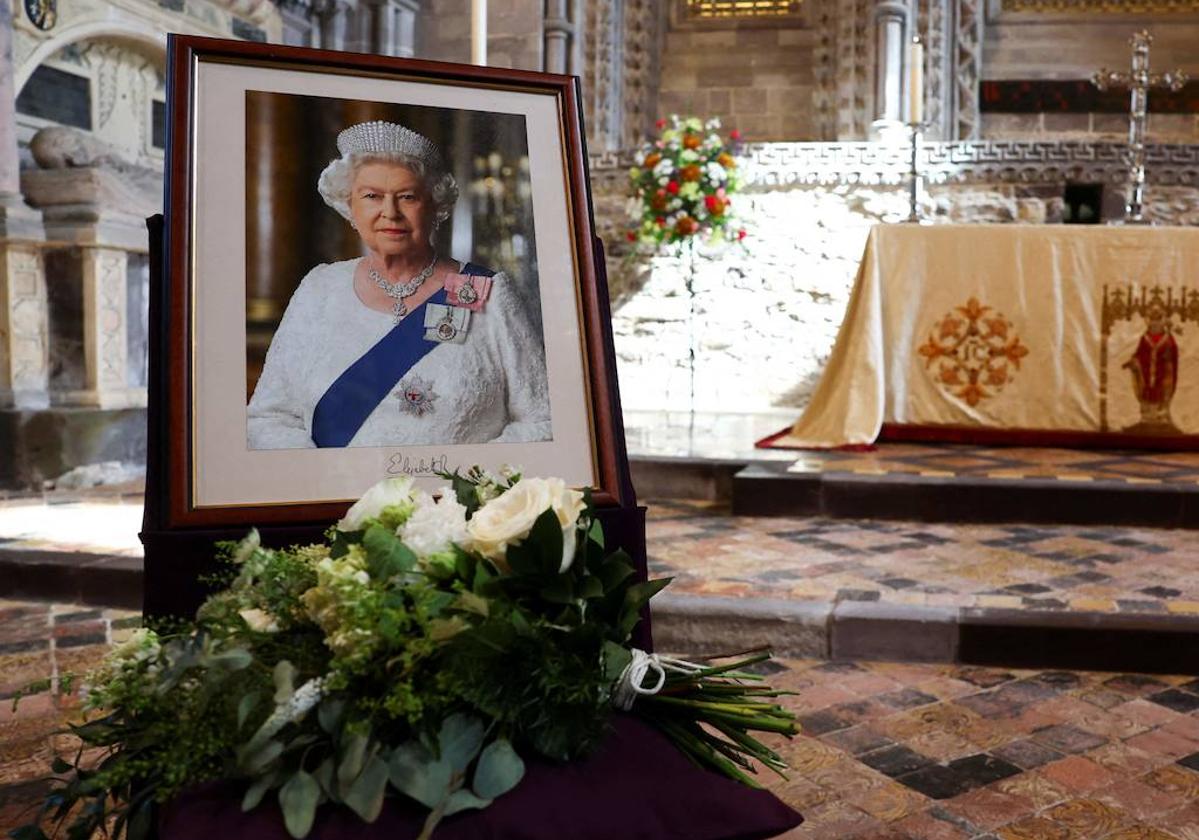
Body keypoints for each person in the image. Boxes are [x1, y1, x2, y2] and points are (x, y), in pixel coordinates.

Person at [247, 120, 552, 449]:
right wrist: (325, 480)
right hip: (338, 497)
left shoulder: (487, 293)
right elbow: (269, 418)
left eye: (407, 197)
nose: (390, 213)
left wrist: (465, 485)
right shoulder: (319, 290)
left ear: (435, 205)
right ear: (350, 205)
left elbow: (544, 420)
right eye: (372, 196)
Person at [1123, 303, 1179, 430]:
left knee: (1162, 393)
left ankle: (1162, 418)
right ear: (1148, 321)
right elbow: (1139, 353)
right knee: (1146, 394)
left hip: (1163, 374)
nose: (1155, 323)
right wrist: (1134, 361)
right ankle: (1146, 419)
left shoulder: (1168, 339)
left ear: (1163, 321)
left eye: (1158, 319)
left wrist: (1169, 357)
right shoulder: (1144, 338)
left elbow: (1173, 356)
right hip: (1146, 373)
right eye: (1152, 320)